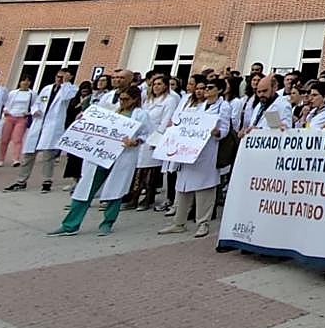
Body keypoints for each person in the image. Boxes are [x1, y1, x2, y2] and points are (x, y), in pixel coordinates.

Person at [48, 86, 152, 237]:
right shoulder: (111, 110)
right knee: (85, 189)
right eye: (120, 99)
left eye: (125, 99)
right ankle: (70, 224)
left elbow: (147, 134)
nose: (122, 102)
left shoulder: (141, 115)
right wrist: (82, 119)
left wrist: (136, 141)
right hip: (101, 155)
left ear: (135, 99)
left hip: (122, 157)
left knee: (115, 190)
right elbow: (94, 121)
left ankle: (107, 223)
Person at [158, 78, 230, 238]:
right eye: (205, 88)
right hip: (189, 151)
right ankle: (179, 222)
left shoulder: (223, 106)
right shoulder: (200, 106)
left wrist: (216, 132)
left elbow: (225, 128)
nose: (206, 90)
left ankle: (203, 223)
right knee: (182, 187)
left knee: (205, 188)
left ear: (219, 90)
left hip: (207, 152)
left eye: (210, 87)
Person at [6, 67, 76, 193]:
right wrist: (35, 110)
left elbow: (66, 97)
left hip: (52, 126)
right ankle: (21, 181)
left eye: (62, 77)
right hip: (39, 124)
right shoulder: (47, 88)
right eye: (58, 76)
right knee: (28, 155)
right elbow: (37, 103)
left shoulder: (71, 88)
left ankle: (47, 181)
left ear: (69, 77)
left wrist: (66, 83)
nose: (59, 79)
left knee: (48, 156)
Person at [135, 73, 176, 210]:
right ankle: (135, 196)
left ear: (165, 86)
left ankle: (149, 197)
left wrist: (157, 140)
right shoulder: (147, 100)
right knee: (140, 169)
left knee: (152, 170)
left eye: (159, 84)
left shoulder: (169, 100)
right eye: (154, 84)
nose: (156, 87)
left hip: (155, 137)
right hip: (143, 136)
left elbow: (165, 121)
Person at [0, 74, 33, 167]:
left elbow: (35, 106)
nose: (25, 83)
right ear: (20, 82)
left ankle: (16, 159)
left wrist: (29, 113)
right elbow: (6, 103)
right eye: (24, 81)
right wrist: (6, 111)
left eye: (28, 81)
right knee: (5, 139)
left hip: (21, 118)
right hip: (10, 117)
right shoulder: (13, 93)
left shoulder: (32, 94)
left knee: (17, 139)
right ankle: (1, 159)